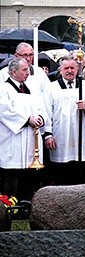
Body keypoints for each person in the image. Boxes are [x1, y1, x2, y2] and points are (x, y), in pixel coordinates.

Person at [43, 56, 85, 185]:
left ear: (77, 69)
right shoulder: (51, 88)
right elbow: (46, 111)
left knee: (81, 169)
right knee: (61, 171)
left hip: (81, 134)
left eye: (72, 68)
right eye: (66, 68)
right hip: (60, 134)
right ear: (60, 70)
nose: (69, 71)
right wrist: (48, 135)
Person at [0, 58, 48, 201]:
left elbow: (42, 108)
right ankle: (9, 205)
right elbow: (4, 111)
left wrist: (40, 118)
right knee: (12, 175)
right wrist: (27, 120)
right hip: (13, 139)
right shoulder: (3, 89)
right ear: (14, 71)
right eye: (25, 70)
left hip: (31, 139)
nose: (28, 72)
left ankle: (27, 203)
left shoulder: (32, 90)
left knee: (30, 174)